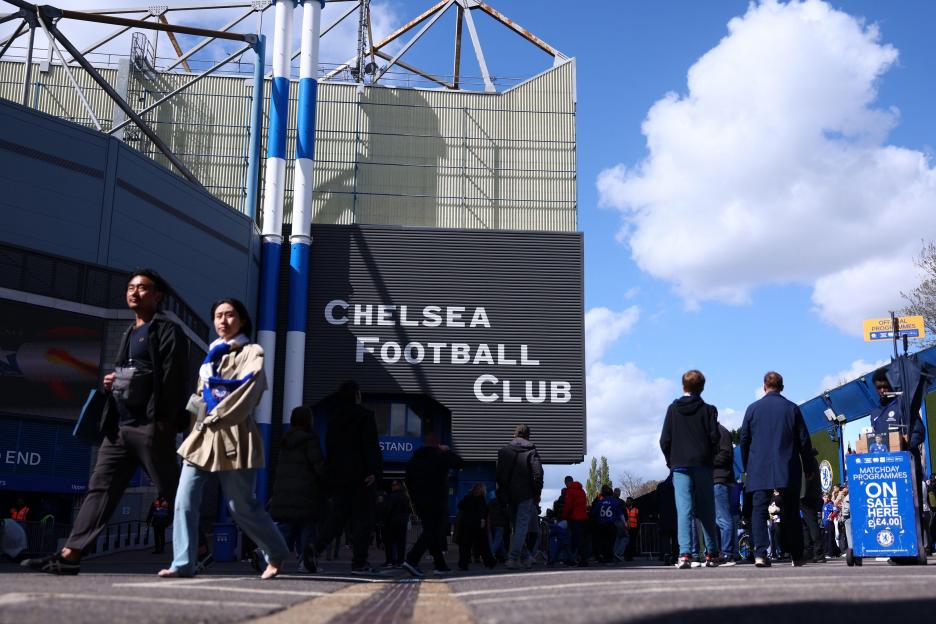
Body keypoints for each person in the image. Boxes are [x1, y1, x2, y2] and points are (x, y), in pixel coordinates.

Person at [23, 269, 189, 576]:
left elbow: (173, 378)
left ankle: (199, 547)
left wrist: (163, 421)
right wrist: (113, 381)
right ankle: (70, 554)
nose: (134, 292)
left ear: (157, 295)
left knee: (173, 489)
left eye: (142, 288)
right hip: (119, 426)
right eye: (130, 287)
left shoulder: (166, 330)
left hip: (150, 426)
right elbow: (130, 373)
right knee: (100, 489)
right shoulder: (129, 332)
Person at [158, 298, 288, 579]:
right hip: (202, 438)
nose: (223, 321)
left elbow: (250, 389)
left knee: (241, 506)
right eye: (218, 315)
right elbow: (200, 398)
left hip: (235, 435)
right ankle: (183, 563)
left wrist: (218, 416)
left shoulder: (253, 351)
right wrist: (191, 424)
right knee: (184, 501)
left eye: (230, 315)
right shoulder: (211, 355)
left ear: (242, 320)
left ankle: (275, 553)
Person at [740, 371, 817, 567]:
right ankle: (796, 554)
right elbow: (803, 441)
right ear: (782, 387)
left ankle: (760, 553)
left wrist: (747, 465)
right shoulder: (791, 408)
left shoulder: (752, 409)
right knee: (791, 510)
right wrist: (808, 467)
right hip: (787, 467)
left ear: (764, 386)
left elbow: (744, 440)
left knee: (758, 511)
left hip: (759, 468)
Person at [306, 380, 382, 575]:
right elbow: (370, 445)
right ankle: (359, 562)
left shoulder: (335, 418)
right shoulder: (365, 416)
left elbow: (330, 448)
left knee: (337, 518)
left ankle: (316, 547)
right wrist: (373, 470)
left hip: (340, 477)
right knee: (363, 521)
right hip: (361, 477)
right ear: (356, 394)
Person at [659, 369, 721, 569]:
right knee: (706, 510)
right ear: (702, 388)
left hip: (680, 464)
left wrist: (671, 461)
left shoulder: (672, 409)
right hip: (702, 464)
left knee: (683, 510)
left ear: (682, 386)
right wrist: (710, 457)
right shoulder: (708, 410)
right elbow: (715, 438)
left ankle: (684, 554)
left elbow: (664, 440)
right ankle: (712, 553)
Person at [270, 406, 325, 572]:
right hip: (306, 494)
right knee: (307, 528)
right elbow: (319, 467)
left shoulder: (285, 441)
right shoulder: (310, 440)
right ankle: (305, 560)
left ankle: (268, 554)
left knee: (285, 528)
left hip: (284, 494)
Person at [402, 433, 462, 577]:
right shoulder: (440, 456)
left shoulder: (413, 460)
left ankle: (440, 565)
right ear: (437, 444)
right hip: (437, 500)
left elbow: (407, 482)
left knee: (432, 532)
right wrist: (447, 450)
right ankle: (411, 559)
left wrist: (414, 501)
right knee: (433, 532)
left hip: (421, 502)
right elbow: (460, 463)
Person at [497, 424, 544, 570]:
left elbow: (498, 475)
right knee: (521, 527)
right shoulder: (532, 451)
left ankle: (526, 557)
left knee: (516, 528)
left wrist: (503, 492)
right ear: (528, 436)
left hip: (508, 495)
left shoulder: (503, 452)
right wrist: (537, 494)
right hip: (525, 494)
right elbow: (537, 475)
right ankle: (513, 558)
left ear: (514, 435)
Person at [712, 422, 737, 566]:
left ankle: (727, 553)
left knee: (723, 519)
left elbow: (725, 456)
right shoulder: (714, 432)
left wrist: (706, 461)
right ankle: (722, 553)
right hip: (715, 480)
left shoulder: (721, 432)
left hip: (720, 480)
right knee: (718, 519)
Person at [456, 483, 496, 571]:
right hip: (477, 524)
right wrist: (482, 520)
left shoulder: (468, 497)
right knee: (483, 544)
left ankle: (463, 564)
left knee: (465, 545)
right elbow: (482, 511)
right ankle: (490, 562)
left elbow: (460, 505)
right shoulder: (481, 498)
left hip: (466, 524)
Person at [799, 449, 824, 563]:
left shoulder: (803, 461)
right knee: (806, 524)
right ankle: (810, 552)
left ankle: (818, 553)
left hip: (805, 495)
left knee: (810, 523)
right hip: (814, 494)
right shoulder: (813, 460)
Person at [590, 484, 624, 564]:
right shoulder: (614, 501)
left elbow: (594, 511)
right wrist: (624, 522)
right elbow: (620, 513)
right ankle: (610, 557)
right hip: (610, 523)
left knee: (603, 541)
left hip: (601, 524)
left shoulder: (600, 501)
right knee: (611, 541)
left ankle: (604, 557)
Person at [560, 478, 588, 566]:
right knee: (582, 539)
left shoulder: (570, 491)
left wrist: (564, 516)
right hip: (583, 518)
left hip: (574, 518)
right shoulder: (582, 491)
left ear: (567, 482)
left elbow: (568, 505)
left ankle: (575, 559)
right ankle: (582, 558)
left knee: (574, 539)